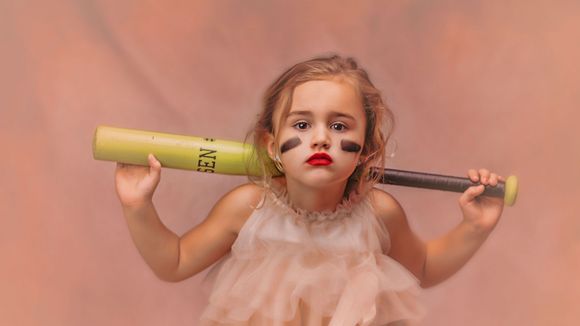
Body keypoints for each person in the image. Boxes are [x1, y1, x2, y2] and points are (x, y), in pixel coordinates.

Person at [114, 55, 505, 325]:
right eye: (301, 125)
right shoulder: (249, 207)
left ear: (366, 149)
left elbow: (421, 267)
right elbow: (175, 262)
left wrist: (474, 228)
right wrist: (138, 205)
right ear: (271, 146)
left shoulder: (379, 212)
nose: (320, 138)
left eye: (339, 127)